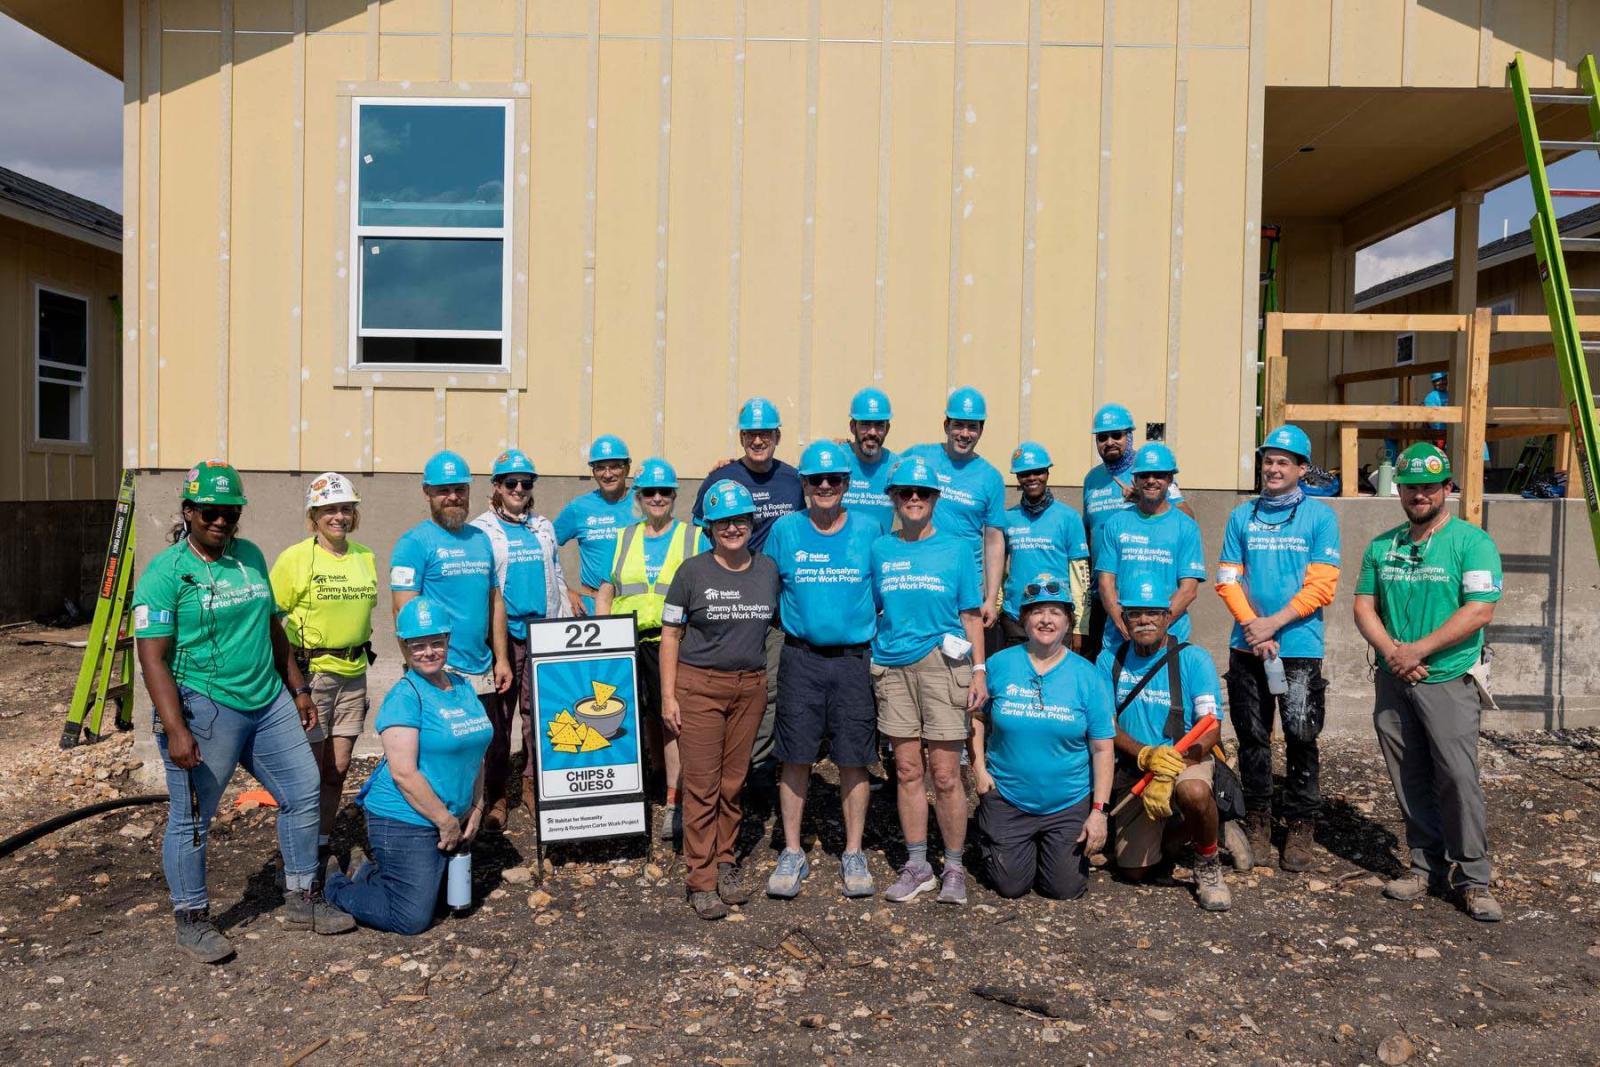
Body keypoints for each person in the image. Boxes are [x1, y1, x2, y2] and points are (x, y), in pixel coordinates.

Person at [133, 460, 353, 963]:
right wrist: (175, 729)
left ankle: (301, 897)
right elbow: (152, 658)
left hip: (268, 700)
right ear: (188, 511)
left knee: (302, 793)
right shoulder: (165, 573)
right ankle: (191, 919)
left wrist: (297, 688)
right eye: (211, 511)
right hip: (206, 709)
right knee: (192, 819)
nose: (221, 521)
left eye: (230, 512)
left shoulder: (249, 556)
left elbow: (273, 626)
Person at [1353, 443, 1503, 922]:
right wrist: (1393, 653)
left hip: (1447, 677)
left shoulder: (1472, 542)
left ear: (1447, 489)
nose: (1420, 494)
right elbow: (1363, 606)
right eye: (1411, 486)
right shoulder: (1383, 546)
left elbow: (1479, 609)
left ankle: (1473, 877)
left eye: (1429, 486)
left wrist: (1418, 650)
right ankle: (1424, 865)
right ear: (1399, 489)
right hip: (1395, 680)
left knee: (1458, 777)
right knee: (1408, 774)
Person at [324, 597, 493, 934]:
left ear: (447, 641)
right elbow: (403, 773)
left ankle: (369, 872)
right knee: (411, 919)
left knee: (451, 902)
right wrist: (446, 822)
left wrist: (477, 804)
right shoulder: (405, 696)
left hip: (450, 816)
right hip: (405, 818)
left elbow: (478, 751)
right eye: (417, 645)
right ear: (403, 646)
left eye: (435, 643)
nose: (428, 652)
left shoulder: (461, 686)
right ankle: (335, 888)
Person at [1216, 425, 1340, 871]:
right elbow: (1228, 577)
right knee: (1252, 738)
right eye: (1268, 460)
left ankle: (1302, 825)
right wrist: (1253, 626)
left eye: (1283, 461)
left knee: (1302, 737)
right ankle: (1259, 821)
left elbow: (1322, 585)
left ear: (1302, 469)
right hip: (1247, 646)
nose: (1273, 467)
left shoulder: (1320, 518)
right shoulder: (1241, 516)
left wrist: (1274, 623)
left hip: (1299, 647)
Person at [763, 442, 881, 900]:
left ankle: (853, 851)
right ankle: (792, 850)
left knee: (854, 757)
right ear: (805, 486)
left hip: (854, 659)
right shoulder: (786, 530)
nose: (826, 487)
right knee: (795, 755)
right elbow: (766, 586)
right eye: (817, 480)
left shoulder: (870, 531)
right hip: (801, 657)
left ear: (847, 485)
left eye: (834, 480)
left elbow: (885, 594)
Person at [869, 457, 987, 905]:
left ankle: (954, 866)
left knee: (946, 773)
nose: (914, 499)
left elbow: (970, 614)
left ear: (935, 499)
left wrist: (979, 669)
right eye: (905, 492)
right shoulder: (882, 549)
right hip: (893, 666)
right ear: (894, 499)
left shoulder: (957, 549)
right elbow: (875, 605)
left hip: (944, 666)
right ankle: (918, 864)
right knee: (906, 769)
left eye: (922, 492)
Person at [661, 480, 780, 919]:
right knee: (702, 786)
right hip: (699, 688)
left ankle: (726, 860)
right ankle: (700, 879)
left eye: (741, 520)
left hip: (749, 687)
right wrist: (668, 696)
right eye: (724, 522)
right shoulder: (692, 572)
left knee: (734, 783)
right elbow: (671, 634)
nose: (733, 528)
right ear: (709, 527)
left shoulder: (767, 570)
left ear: (752, 523)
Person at [691, 396, 805, 800]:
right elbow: (699, 533)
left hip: (772, 602)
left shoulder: (794, 480)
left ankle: (756, 768)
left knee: (768, 688)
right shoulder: (720, 480)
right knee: (725, 684)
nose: (759, 440)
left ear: (777, 436)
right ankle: (718, 766)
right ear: (742, 437)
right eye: (751, 434)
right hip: (727, 600)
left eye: (766, 433)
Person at [972, 574, 1113, 900]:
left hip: (1066, 803)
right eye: (1036, 612)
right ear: (1023, 619)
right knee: (1010, 887)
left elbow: (1103, 748)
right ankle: (998, 837)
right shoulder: (999, 664)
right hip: (1008, 797)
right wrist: (978, 769)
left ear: (1068, 622)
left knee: (1064, 889)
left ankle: (1050, 849)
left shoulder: (1087, 675)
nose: (1046, 620)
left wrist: (1098, 812)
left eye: (1055, 612)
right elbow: (976, 717)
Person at [1097, 579, 1230, 911]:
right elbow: (1104, 724)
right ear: (1124, 619)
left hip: (1186, 757)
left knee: (1194, 793)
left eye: (1153, 614)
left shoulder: (1193, 659)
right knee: (1134, 871)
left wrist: (1176, 766)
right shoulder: (1108, 661)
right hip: (1136, 764)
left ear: (1168, 617)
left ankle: (1208, 858)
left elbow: (1210, 726)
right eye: (1136, 614)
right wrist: (1145, 754)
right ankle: (1196, 825)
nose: (1145, 621)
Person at [269, 471, 379, 864]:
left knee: (338, 768)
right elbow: (269, 619)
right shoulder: (295, 559)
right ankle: (296, 857)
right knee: (309, 772)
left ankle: (320, 843)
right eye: (329, 509)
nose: (339, 516)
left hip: (354, 674)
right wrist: (289, 681)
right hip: (313, 677)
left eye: (346, 508)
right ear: (313, 515)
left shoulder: (365, 557)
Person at [595, 458, 706, 840]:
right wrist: (602, 636)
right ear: (638, 497)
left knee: (672, 720)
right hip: (628, 642)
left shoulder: (693, 536)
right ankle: (640, 790)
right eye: (649, 493)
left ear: (674, 496)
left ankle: (674, 802)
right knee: (630, 721)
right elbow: (607, 589)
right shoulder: (625, 536)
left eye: (665, 492)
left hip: (672, 642)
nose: (657, 498)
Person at [470, 448, 571, 833]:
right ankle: (497, 796)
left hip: (541, 632)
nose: (518, 489)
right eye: (510, 482)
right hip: (502, 637)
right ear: (496, 486)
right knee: (500, 718)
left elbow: (557, 575)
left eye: (525, 483)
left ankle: (532, 786)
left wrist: (561, 623)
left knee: (536, 715)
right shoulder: (481, 531)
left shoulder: (543, 526)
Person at [390, 450, 511, 706]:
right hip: (440, 671)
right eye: (443, 490)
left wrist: (502, 659)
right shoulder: (413, 543)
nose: (453, 497)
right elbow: (403, 610)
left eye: (459, 489)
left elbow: (495, 601)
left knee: (489, 744)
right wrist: (420, 673)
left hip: (483, 670)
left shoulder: (480, 538)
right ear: (427, 492)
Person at [1080, 404, 1193, 661]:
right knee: (1104, 663)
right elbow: (1089, 532)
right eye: (1102, 437)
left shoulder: (1148, 472)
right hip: (1104, 591)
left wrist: (1142, 499)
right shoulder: (1092, 479)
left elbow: (1186, 517)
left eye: (1116, 435)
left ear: (1129, 436)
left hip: (1144, 592)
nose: (1109, 442)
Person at [900, 387, 1006, 642]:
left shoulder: (990, 477)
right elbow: (880, 466)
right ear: (946, 425)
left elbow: (993, 540)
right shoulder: (919, 456)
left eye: (972, 427)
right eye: (958, 425)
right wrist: (847, 451)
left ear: (981, 430)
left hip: (964, 585)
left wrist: (991, 598)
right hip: (918, 576)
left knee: (959, 663)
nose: (965, 434)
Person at [1093, 442, 1206, 653]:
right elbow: (1106, 582)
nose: (1151, 480)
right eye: (1144, 475)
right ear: (1134, 479)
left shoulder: (1186, 526)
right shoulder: (1116, 523)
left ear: (1170, 480)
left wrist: (1154, 629)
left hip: (1169, 639)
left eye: (1159, 475)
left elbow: (1188, 590)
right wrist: (1122, 623)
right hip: (1120, 639)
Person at [997, 442, 1090, 653]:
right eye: (1024, 473)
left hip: (1056, 619)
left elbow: (1080, 576)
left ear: (1047, 473)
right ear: (1018, 477)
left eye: (1038, 472)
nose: (1031, 478)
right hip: (1015, 619)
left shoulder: (1069, 518)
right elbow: (998, 571)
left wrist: (1080, 628)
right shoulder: (1007, 518)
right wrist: (997, 609)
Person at [554, 435, 637, 615]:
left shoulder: (644, 502)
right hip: (591, 608)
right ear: (593, 472)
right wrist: (565, 590)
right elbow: (545, 548)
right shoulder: (579, 508)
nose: (607, 474)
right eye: (600, 468)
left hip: (635, 606)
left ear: (627, 468)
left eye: (615, 466)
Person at [840, 387, 898, 534]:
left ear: (888, 429)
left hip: (878, 555)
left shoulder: (896, 467)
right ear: (853, 427)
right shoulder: (836, 460)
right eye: (865, 424)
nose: (872, 432)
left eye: (879, 425)